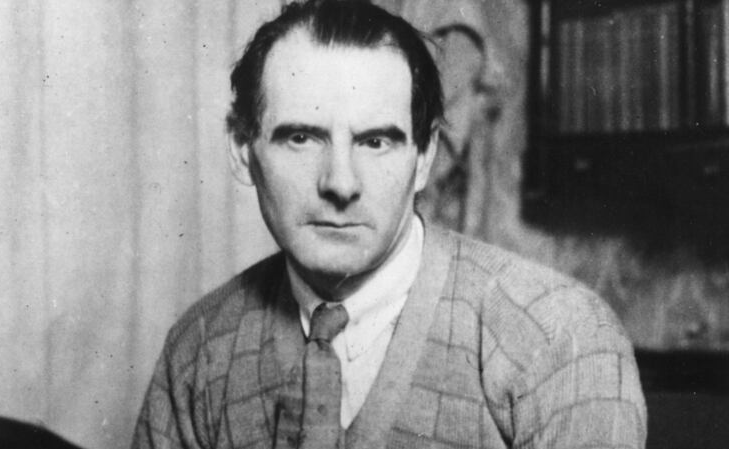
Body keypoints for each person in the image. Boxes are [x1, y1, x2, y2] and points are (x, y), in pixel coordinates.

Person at [132, 1, 647, 448]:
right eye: (302, 138)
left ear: (423, 158)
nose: (340, 182)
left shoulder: (560, 340)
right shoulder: (199, 348)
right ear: (243, 151)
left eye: (375, 141)